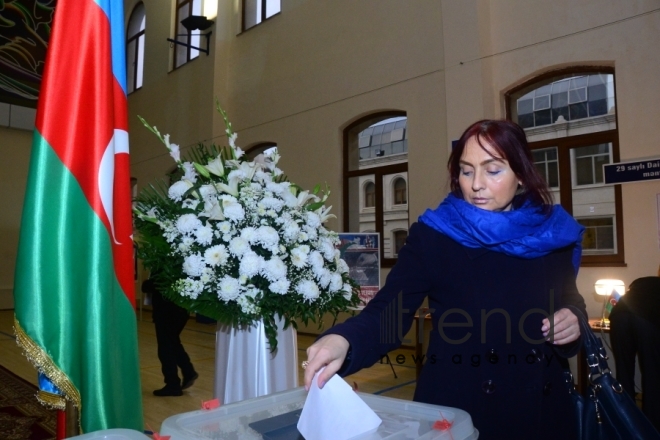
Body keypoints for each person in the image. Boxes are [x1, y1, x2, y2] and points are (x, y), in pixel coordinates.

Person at [303, 120, 587, 440]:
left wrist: (573, 319)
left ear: (521, 174)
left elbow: (570, 299)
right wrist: (345, 340)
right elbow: (390, 311)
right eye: (467, 171)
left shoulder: (551, 233)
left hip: (543, 414)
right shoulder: (435, 236)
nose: (476, 184)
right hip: (465, 412)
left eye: (492, 171)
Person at [609, 268, 660, 431]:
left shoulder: (641, 281)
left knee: (623, 370)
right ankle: (652, 426)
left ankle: (625, 421)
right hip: (645, 319)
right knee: (652, 373)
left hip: (619, 316)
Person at [142, 274, 198, 397]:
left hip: (166, 311)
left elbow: (159, 285)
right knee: (173, 343)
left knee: (165, 348)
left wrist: (146, 284)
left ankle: (173, 384)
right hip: (180, 309)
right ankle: (188, 371)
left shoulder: (164, 263)